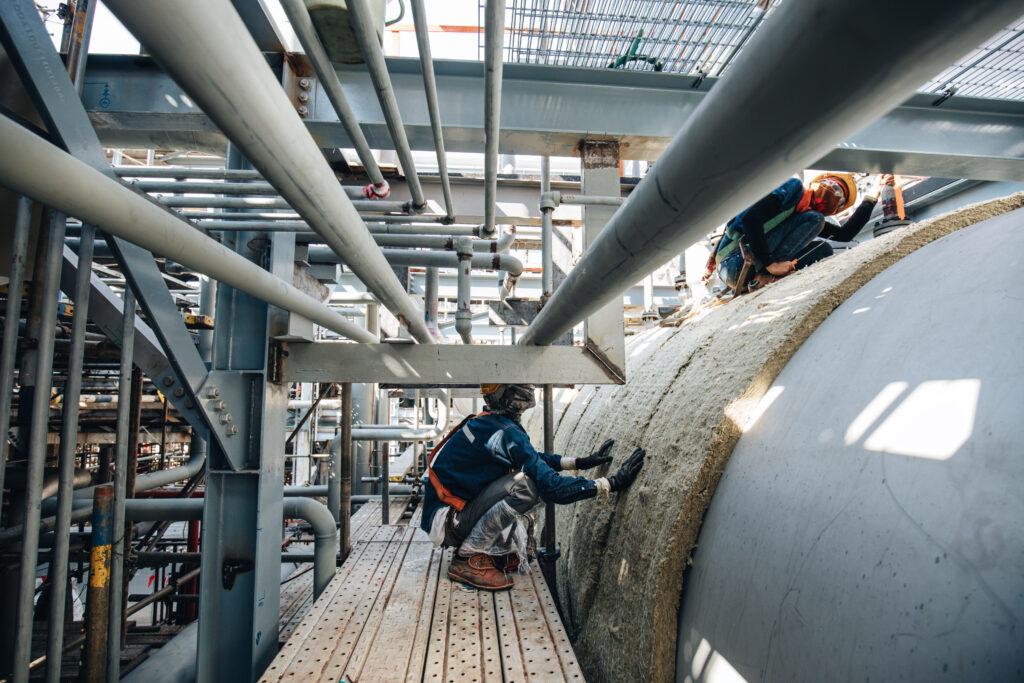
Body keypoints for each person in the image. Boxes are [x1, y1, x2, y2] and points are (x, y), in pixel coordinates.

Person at [421, 383, 646, 591]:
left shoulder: (488, 421)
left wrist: (578, 462)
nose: (530, 387)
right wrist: (611, 484)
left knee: (525, 480)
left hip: (444, 516)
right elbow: (552, 487)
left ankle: (483, 549)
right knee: (526, 487)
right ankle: (469, 557)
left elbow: (531, 458)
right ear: (514, 394)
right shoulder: (506, 432)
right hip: (450, 522)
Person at [713, 173, 892, 291]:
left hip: (739, 273)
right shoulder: (793, 189)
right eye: (835, 187)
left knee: (823, 249)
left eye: (839, 199)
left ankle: (759, 279)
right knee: (815, 220)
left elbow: (844, 235)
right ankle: (770, 272)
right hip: (737, 261)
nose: (834, 196)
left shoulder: (803, 215)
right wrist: (770, 264)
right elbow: (750, 220)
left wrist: (872, 196)